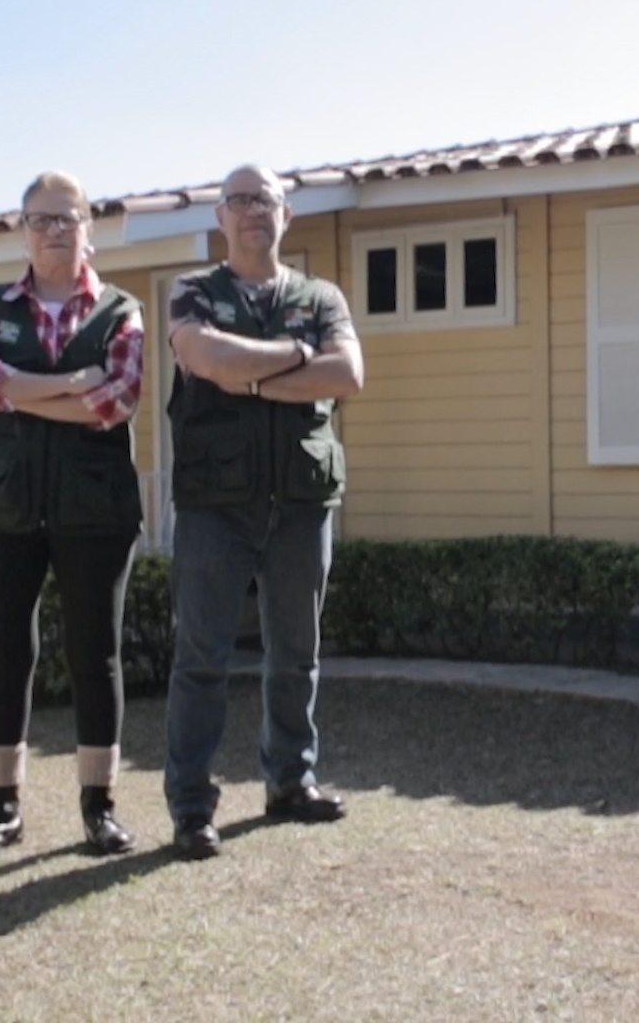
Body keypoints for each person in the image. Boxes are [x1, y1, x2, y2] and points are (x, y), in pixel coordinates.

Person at [161, 164, 365, 860]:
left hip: (301, 503)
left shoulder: (321, 295)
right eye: (238, 200)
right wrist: (294, 356)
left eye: (265, 200)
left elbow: (348, 376)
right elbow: (203, 355)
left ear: (287, 216)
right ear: (220, 217)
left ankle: (290, 781)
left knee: (296, 654)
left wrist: (250, 375)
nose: (252, 211)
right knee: (202, 659)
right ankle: (192, 808)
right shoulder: (194, 292)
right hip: (216, 505)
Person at [0, 170, 147, 863]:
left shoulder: (122, 311)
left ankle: (100, 807)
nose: (56, 230)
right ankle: (2, 811)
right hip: (1, 507)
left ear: (89, 227)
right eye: (42, 219)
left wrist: (13, 389)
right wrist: (66, 385)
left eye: (69, 218)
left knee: (98, 655)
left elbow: (116, 401)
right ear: (23, 228)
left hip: (95, 509)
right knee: (8, 653)